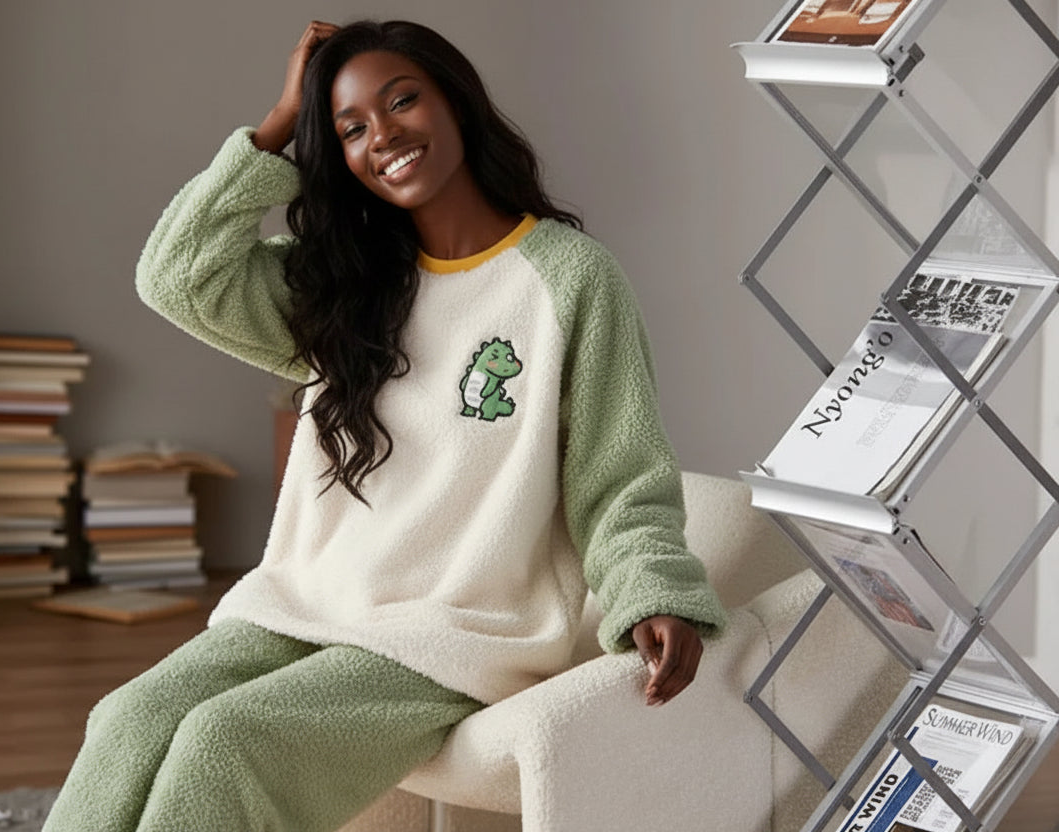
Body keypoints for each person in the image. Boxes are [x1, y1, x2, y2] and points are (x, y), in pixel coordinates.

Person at [43, 19, 727, 832]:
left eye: (403, 101)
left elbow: (619, 472)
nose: (384, 136)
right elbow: (178, 277)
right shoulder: (347, 285)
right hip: (307, 602)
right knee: (128, 720)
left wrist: (652, 591)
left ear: (457, 102)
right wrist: (279, 122)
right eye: (351, 129)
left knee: (227, 742)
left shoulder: (571, 278)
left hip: (457, 628)